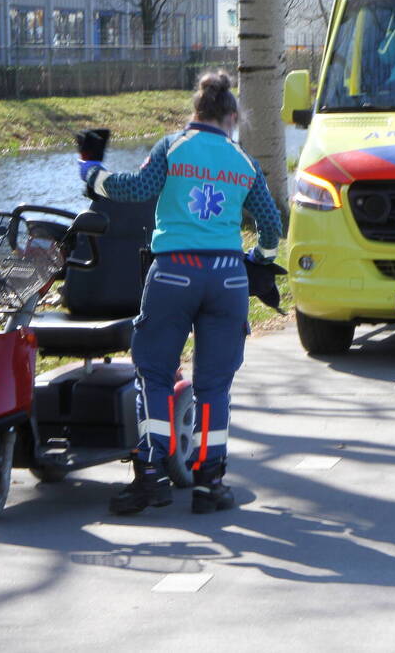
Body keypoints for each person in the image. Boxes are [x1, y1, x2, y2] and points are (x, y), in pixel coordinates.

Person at [79, 71, 283, 515]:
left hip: (174, 272)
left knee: (154, 374)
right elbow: (272, 225)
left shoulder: (172, 147)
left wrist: (93, 175)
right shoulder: (243, 161)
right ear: (232, 117)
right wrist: (261, 258)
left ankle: (150, 476)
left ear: (195, 109)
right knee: (215, 386)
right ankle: (210, 484)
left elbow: (134, 189)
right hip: (228, 278)